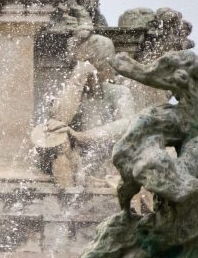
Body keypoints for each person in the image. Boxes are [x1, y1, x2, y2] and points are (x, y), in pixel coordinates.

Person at [35, 32, 135, 188]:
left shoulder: (119, 91)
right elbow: (59, 119)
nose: (109, 69)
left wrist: (81, 136)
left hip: (106, 155)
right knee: (58, 139)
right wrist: (78, 79)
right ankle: (68, 194)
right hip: (78, 158)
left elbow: (129, 124)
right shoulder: (72, 92)